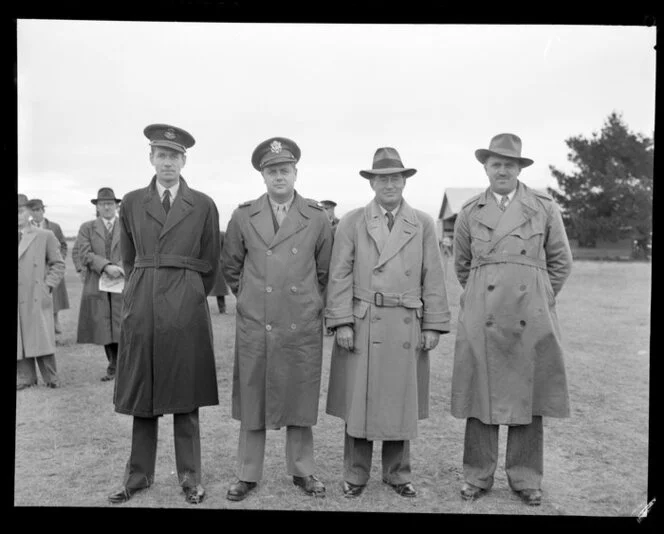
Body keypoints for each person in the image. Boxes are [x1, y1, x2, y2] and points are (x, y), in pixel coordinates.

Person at [451, 133, 573, 506]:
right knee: (479, 396)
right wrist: (478, 296)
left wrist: (540, 297)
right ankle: (476, 476)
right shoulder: (470, 211)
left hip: (529, 317)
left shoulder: (544, 207)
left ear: (520, 169)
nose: (502, 170)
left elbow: (560, 261)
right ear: (485, 168)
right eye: (495, 164)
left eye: (509, 164)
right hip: (482, 316)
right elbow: (462, 266)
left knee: (528, 398)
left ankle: (526, 479)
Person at [325, 147, 451, 498]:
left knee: (400, 399)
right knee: (358, 401)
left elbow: (434, 277)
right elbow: (339, 275)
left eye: (395, 177)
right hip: (364, 322)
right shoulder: (352, 221)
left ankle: (398, 474)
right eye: (382, 177)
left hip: (407, 323)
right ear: (372, 182)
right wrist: (342, 322)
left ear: (404, 180)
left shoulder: (423, 223)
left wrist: (432, 325)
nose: (389, 184)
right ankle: (355, 474)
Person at [108, 124, 221, 505]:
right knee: (144, 392)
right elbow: (128, 258)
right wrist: (142, 292)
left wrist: (189, 294)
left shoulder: (203, 203)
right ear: (151, 158)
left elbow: (211, 260)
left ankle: (190, 478)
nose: (168, 162)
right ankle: (137, 476)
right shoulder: (132, 201)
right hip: (143, 302)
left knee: (185, 394)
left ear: (184, 160)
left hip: (186, 305)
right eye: (161, 155)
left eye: (175, 156)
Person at [222, 136, 333, 502]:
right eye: (271, 171)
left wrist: (307, 304)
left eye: (284, 170)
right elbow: (232, 266)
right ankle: (247, 474)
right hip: (257, 322)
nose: (278, 176)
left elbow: (325, 271)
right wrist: (254, 301)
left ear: (296, 173)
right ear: (262, 176)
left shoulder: (317, 217)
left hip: (300, 323)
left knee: (299, 396)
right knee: (253, 397)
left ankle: (302, 471)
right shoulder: (242, 215)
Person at [17, 193, 65, 390]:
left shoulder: (44, 235)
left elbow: (58, 264)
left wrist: (48, 286)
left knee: (41, 335)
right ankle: (25, 377)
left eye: (19, 211)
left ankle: (51, 377)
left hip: (36, 293)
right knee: (19, 337)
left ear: (28, 212)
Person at [75, 188, 123, 381]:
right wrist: (105, 266)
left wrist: (119, 267)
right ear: (97, 207)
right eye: (102, 204)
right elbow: (84, 252)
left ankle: (123, 364)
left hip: (123, 279)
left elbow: (135, 249)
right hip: (98, 280)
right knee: (103, 324)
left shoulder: (126, 225)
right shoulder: (87, 227)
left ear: (116, 205)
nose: (107, 207)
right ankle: (113, 364)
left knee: (122, 322)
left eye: (110, 203)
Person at [27, 198, 69, 334]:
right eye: (33, 210)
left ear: (43, 210)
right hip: (34, 269)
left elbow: (63, 244)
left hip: (52, 267)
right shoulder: (25, 227)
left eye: (38, 210)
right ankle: (38, 329)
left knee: (54, 298)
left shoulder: (54, 227)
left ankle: (55, 324)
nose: (36, 213)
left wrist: (59, 259)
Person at [209, 230, 229, 313]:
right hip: (213, 262)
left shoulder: (220, 234)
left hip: (216, 262)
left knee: (220, 289)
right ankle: (222, 309)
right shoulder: (217, 234)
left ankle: (222, 309)